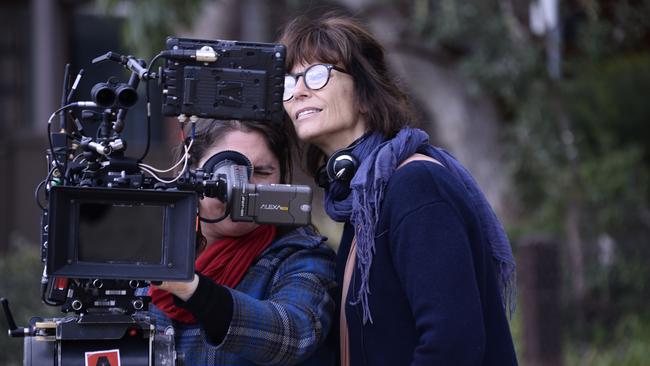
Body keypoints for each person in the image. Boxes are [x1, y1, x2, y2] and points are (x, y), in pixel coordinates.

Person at [279, 12, 519, 365]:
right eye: (289, 81)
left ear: (364, 92)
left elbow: (452, 343)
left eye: (316, 75)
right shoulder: (361, 200)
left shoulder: (414, 186)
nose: (298, 91)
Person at [148, 119, 337, 365]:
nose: (242, 188)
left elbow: (295, 335)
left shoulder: (303, 256)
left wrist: (193, 290)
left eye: (261, 172)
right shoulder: (152, 249)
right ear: (190, 172)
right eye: (226, 171)